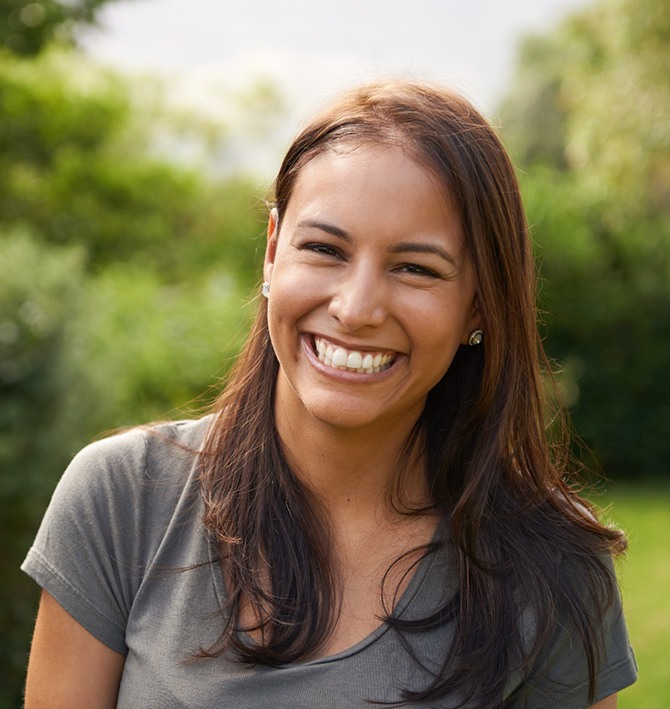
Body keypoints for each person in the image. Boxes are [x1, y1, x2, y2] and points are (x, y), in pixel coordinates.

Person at [22, 81, 636, 708]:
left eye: (415, 268)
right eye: (323, 249)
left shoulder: (555, 569)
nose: (356, 308)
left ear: (479, 302)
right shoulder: (122, 500)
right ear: (271, 252)